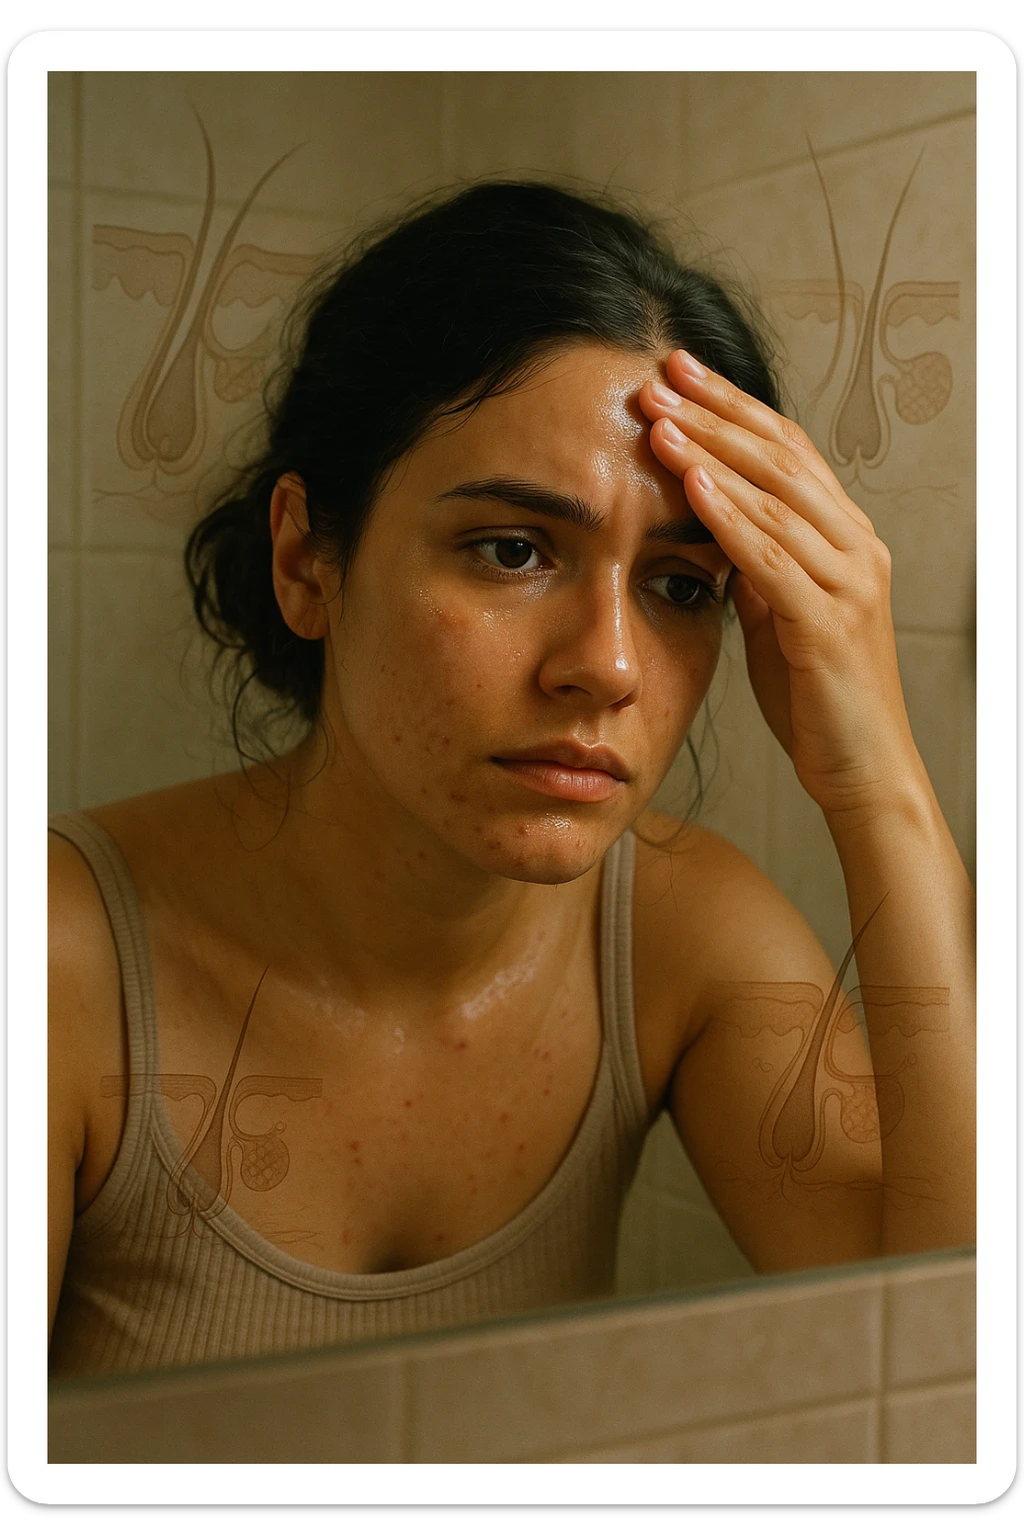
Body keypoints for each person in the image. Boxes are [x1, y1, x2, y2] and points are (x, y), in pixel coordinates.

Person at [48, 180, 975, 1378]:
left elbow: (943, 1369)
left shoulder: (687, 936)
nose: (607, 666)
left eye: (681, 585)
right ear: (304, 560)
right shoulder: (58, 965)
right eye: (512, 549)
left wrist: (880, 783)